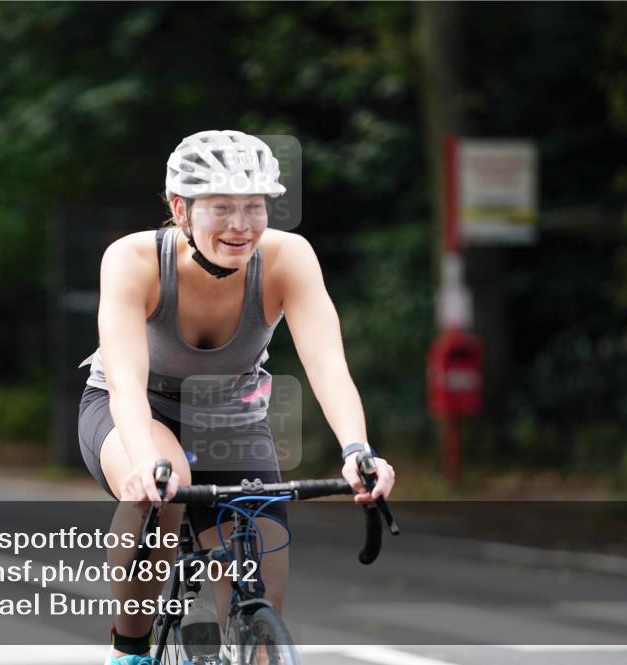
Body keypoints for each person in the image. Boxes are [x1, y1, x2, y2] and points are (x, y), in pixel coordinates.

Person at [77, 130, 396, 665]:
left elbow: (328, 364)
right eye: (221, 208)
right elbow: (127, 382)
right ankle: (129, 648)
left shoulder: (288, 258)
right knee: (167, 486)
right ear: (181, 209)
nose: (241, 225)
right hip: (132, 408)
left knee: (260, 597)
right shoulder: (132, 260)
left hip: (230, 415)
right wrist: (145, 459)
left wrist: (356, 450)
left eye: (254, 207)